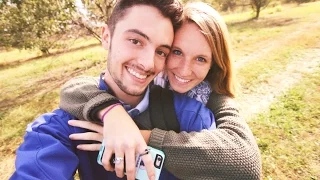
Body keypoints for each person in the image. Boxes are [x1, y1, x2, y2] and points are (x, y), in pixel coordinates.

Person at [59, 2, 262, 179]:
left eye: (201, 59)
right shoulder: (151, 76)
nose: (184, 69)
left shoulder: (214, 97)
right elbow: (77, 87)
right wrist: (114, 115)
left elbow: (245, 162)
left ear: (214, 64)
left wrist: (139, 137)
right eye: (176, 52)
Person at [10, 0, 196, 179]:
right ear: (106, 37)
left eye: (161, 52)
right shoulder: (65, 125)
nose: (148, 63)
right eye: (135, 41)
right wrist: (111, 112)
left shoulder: (186, 112)